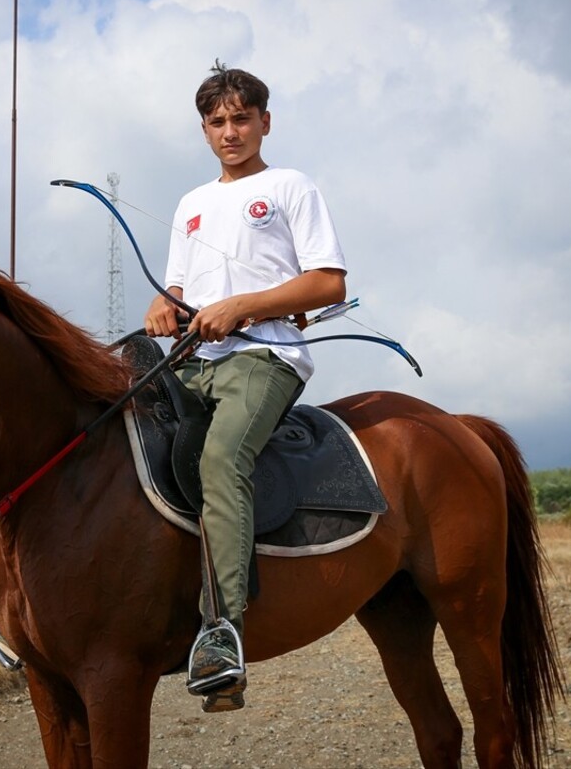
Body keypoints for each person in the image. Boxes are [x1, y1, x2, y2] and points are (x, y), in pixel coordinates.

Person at [144, 62, 347, 712]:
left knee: (221, 459)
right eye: (217, 121)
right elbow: (179, 287)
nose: (229, 131)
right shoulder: (190, 204)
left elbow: (328, 283)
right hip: (190, 360)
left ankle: (221, 631)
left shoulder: (290, 186)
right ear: (204, 129)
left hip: (264, 357)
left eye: (240, 118)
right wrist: (163, 304)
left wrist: (244, 306)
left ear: (264, 120)